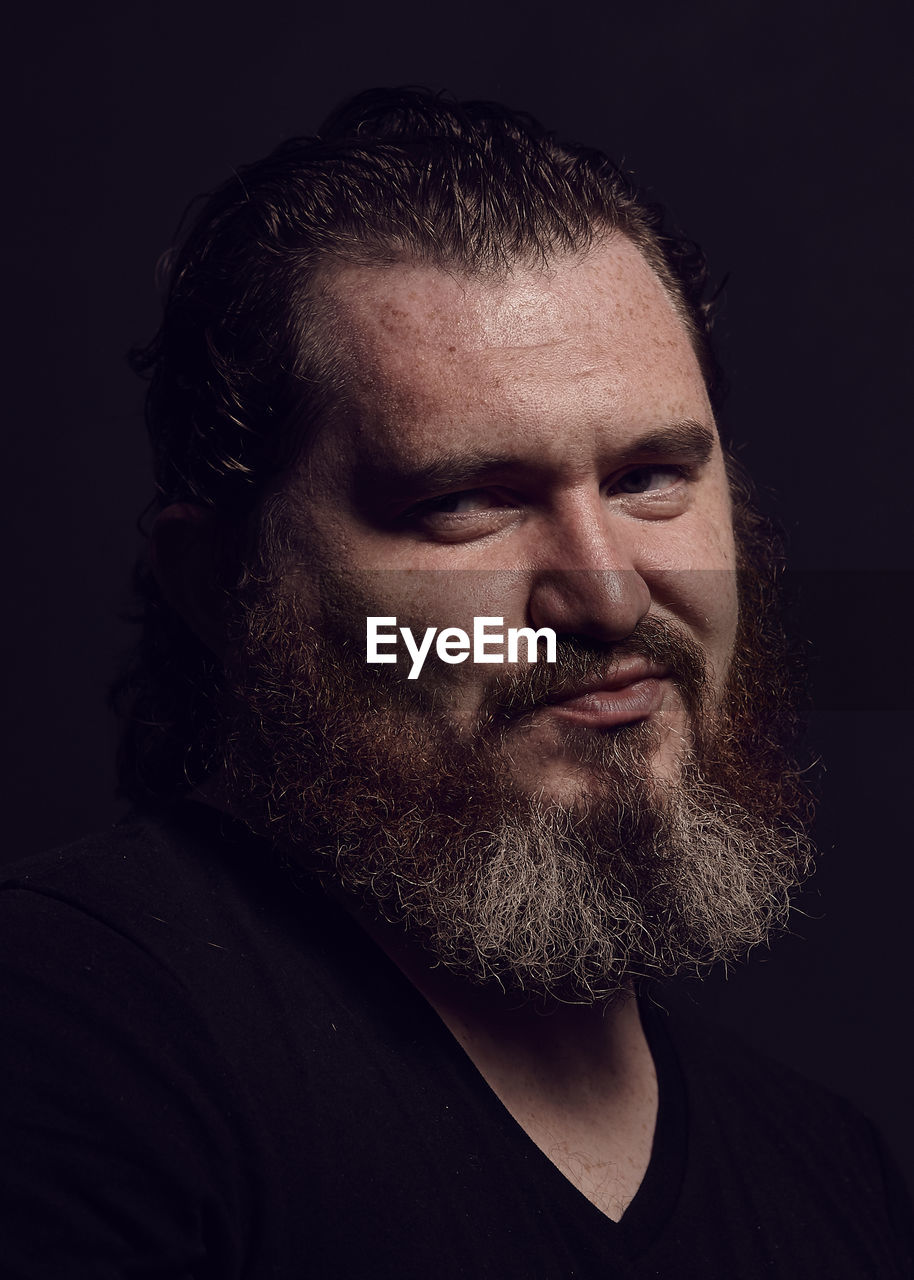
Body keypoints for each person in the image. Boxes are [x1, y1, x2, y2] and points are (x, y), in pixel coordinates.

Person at [1, 87, 910, 1278]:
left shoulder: (833, 1175)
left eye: (649, 477)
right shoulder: (65, 1036)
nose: (607, 598)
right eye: (464, 502)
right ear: (223, 585)